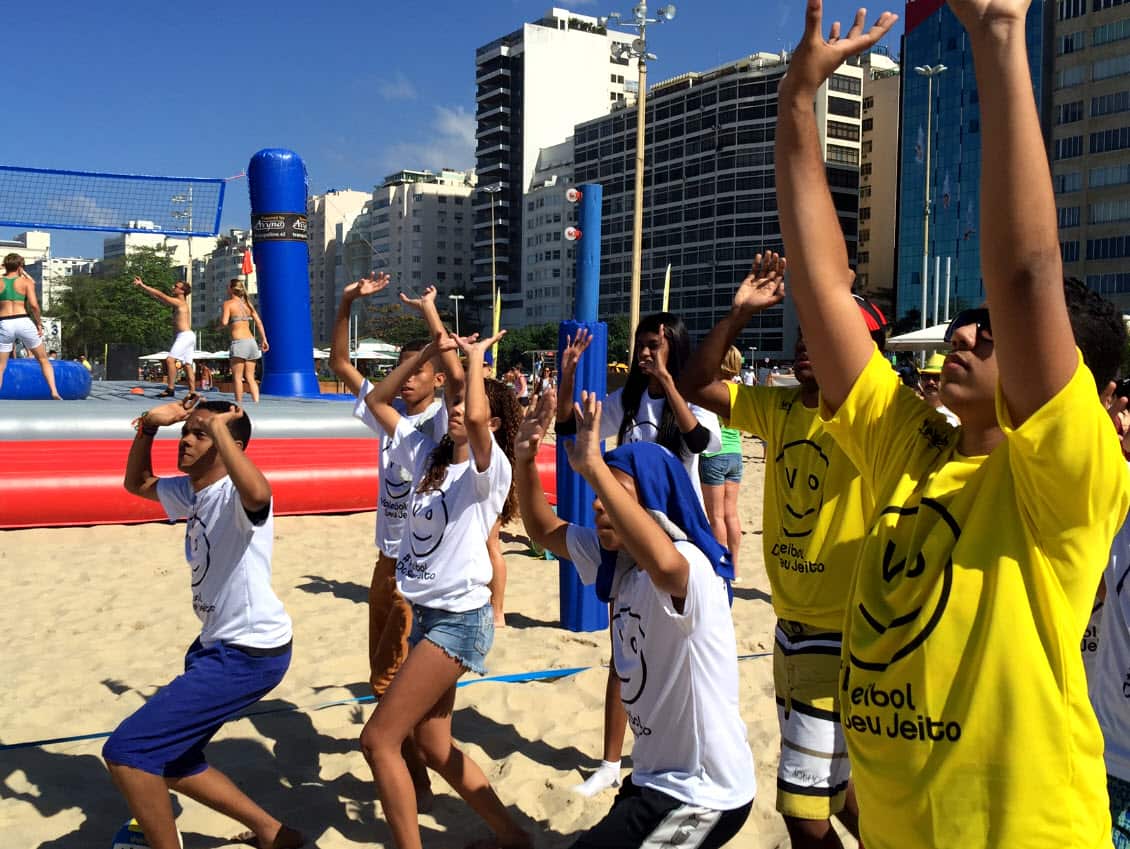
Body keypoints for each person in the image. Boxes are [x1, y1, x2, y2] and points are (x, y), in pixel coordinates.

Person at [774, 3, 1129, 847]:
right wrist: (796, 106)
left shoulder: (1065, 482)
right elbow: (823, 290)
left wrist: (999, 36)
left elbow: (1029, 272)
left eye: (992, 330)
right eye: (968, 321)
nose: (966, 332)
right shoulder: (914, 449)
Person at [683, 258, 883, 849]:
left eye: (821, 337)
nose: (803, 346)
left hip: (842, 633)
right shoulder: (781, 408)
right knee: (834, 787)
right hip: (790, 629)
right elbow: (696, 384)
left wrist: (836, 297)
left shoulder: (870, 419)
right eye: (802, 335)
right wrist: (740, 313)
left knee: (802, 812)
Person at [516, 390, 755, 848]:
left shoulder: (689, 564)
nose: (599, 504)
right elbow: (543, 530)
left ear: (657, 505)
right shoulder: (619, 562)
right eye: (597, 494)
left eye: (614, 495)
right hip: (654, 778)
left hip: (706, 791)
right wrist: (525, 461)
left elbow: (666, 567)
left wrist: (594, 468)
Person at [357, 328, 530, 849]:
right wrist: (432, 352)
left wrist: (472, 361)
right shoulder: (425, 456)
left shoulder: (488, 470)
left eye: (463, 403)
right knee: (434, 746)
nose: (455, 408)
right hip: (429, 614)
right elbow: (376, 399)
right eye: (451, 402)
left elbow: (476, 417)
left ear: (492, 426)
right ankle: (513, 837)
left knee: (378, 740)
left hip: (458, 621)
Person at [106, 396, 301, 849]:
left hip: (249, 652)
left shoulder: (236, 494)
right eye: (186, 431)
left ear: (228, 444)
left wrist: (219, 431)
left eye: (200, 434)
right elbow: (137, 484)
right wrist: (149, 428)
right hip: (216, 645)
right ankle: (275, 834)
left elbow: (260, 494)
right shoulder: (191, 491)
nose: (187, 440)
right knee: (172, 757)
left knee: (127, 753)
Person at [556, 315, 722, 798]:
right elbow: (568, 425)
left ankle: (691, 752)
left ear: (676, 349)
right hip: (628, 537)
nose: (646, 353)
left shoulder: (693, 397)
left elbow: (699, 443)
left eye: (656, 345)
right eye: (642, 345)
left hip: (677, 539)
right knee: (622, 649)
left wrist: (671, 383)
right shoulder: (627, 401)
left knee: (682, 651)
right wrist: (568, 374)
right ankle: (610, 761)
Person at [330, 274, 457, 812]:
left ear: (433, 377)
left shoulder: (443, 425)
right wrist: (345, 303)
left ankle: (414, 784)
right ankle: (415, 778)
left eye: (416, 371)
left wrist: (433, 325)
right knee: (380, 678)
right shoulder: (391, 420)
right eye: (399, 372)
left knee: (389, 684)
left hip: (421, 570)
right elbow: (340, 365)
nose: (404, 381)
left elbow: (456, 369)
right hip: (387, 562)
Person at [696, 346, 746, 582]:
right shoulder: (740, 391)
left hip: (714, 455)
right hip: (736, 453)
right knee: (731, 515)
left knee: (716, 517)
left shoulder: (715, 390)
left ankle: (722, 569)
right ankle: (736, 567)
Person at [0, 253, 61, 399]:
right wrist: (39, 323)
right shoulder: (26, 282)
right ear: (20, 267)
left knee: (1, 365)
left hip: (5, 322)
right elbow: (34, 305)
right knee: (43, 359)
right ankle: (54, 391)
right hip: (23, 320)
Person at [134, 275, 195, 397]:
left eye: (176, 286)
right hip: (188, 335)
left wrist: (142, 285)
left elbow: (161, 295)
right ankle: (192, 392)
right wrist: (145, 289)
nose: (173, 287)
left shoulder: (179, 302)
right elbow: (158, 297)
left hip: (185, 336)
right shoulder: (178, 303)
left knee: (170, 360)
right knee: (187, 365)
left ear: (182, 291)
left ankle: (170, 389)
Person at [221, 279, 269, 404]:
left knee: (237, 377)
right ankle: (256, 402)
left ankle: (239, 404)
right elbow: (258, 322)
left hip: (239, 342)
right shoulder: (248, 304)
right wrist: (264, 339)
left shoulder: (228, 304)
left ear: (231, 289)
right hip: (251, 342)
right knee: (250, 377)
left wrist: (218, 326)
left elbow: (224, 322)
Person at [918, 352, 960, 426]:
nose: (930, 382)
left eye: (937, 377)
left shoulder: (956, 417)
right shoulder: (913, 410)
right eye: (926, 377)